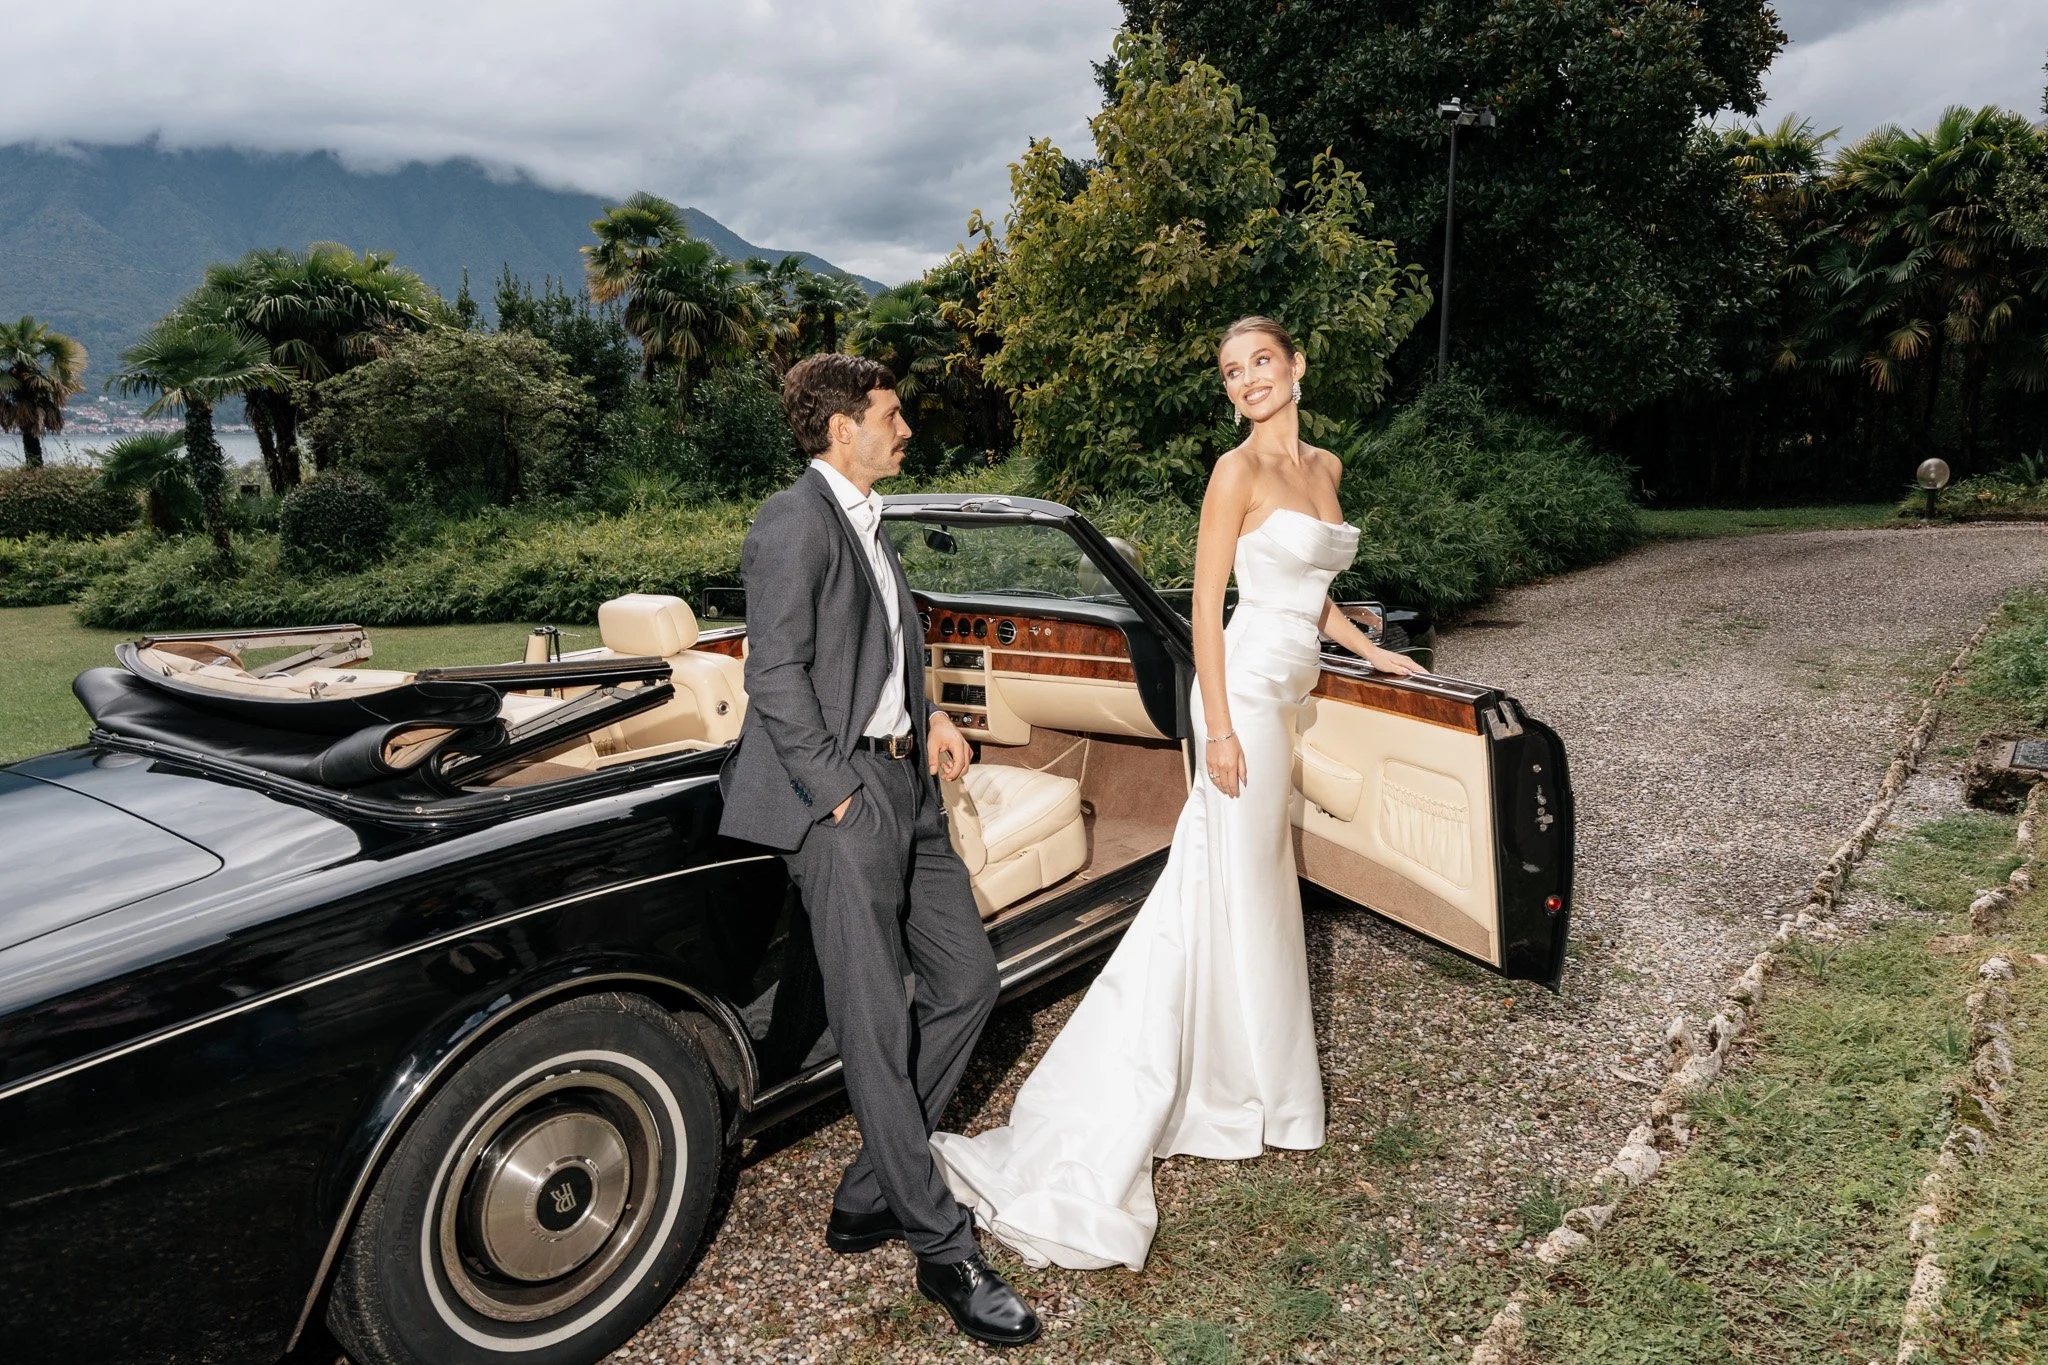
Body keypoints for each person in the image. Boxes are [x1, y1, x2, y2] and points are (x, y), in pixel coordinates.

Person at [929, 317, 1428, 1271]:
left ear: (1297, 366)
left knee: (1249, 888)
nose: (1248, 382)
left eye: (1262, 364)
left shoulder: (1322, 466)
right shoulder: (1233, 474)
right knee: (1241, 887)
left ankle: (1257, 1084)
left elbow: (1313, 588)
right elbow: (1206, 606)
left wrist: (1370, 648)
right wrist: (1225, 728)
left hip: (1288, 688)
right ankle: (1238, 1093)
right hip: (1237, 690)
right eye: (1234, 372)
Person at [718, 353, 1040, 1346]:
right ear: (842, 427)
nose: (906, 431)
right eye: (892, 416)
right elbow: (771, 673)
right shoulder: (791, 520)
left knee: (968, 983)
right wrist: (838, 796)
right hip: (843, 802)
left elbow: (887, 651)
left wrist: (934, 714)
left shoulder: (866, 517)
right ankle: (941, 1250)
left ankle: (866, 1192)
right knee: (869, 1024)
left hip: (905, 779)